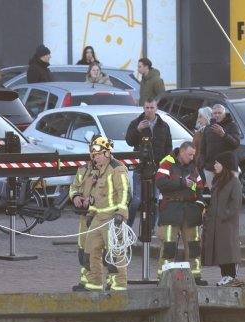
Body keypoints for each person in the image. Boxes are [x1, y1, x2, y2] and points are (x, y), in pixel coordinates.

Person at [70, 136, 130, 292]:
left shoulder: (117, 169)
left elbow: (124, 192)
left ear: (107, 153)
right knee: (90, 250)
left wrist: (121, 213)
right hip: (97, 218)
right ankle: (94, 283)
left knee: (114, 253)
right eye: (94, 155)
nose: (95, 157)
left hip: (112, 218)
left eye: (98, 154)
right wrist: (89, 211)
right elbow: (94, 194)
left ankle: (118, 286)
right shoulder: (96, 171)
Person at [156, 141, 205, 281]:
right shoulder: (167, 163)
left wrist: (200, 205)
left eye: (193, 155)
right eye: (189, 154)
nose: (192, 157)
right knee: (168, 245)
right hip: (172, 208)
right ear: (182, 152)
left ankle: (195, 276)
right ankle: (164, 276)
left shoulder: (193, 167)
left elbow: (200, 187)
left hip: (190, 210)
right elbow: (161, 183)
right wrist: (182, 182)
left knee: (194, 245)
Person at [125, 98, 173, 232]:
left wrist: (165, 167)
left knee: (154, 200)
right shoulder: (136, 123)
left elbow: (168, 147)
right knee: (136, 200)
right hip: (140, 168)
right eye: (147, 107)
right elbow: (129, 141)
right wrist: (138, 130)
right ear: (143, 108)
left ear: (156, 108)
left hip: (157, 169)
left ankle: (151, 229)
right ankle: (128, 227)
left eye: (152, 108)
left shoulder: (164, 125)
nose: (149, 110)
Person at [202, 151, 243, 286]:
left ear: (224, 165)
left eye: (217, 163)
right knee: (220, 251)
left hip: (227, 224)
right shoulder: (218, 181)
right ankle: (225, 275)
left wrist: (223, 214)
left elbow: (235, 205)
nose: (214, 165)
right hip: (216, 223)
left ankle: (231, 276)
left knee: (228, 251)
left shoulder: (234, 182)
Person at [198, 104, 241, 187]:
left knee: (229, 194)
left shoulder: (232, 125)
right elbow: (203, 149)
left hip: (228, 168)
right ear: (212, 115)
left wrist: (223, 134)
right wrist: (204, 164)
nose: (217, 115)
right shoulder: (207, 128)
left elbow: (236, 144)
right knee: (214, 195)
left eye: (219, 113)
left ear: (224, 114)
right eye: (215, 113)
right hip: (210, 168)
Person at [192, 106, 213, 173]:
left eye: (200, 117)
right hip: (197, 168)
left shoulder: (214, 133)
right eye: (198, 117)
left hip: (207, 168)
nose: (199, 120)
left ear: (207, 117)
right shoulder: (198, 133)